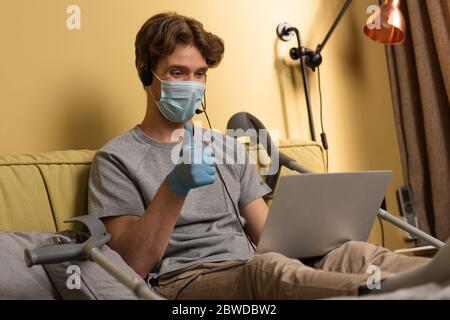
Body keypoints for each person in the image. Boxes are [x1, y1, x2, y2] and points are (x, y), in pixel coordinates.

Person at [88, 12, 450, 299]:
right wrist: (174, 187)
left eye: (200, 74)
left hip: (255, 263)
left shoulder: (228, 146)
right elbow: (131, 264)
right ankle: (389, 293)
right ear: (144, 73)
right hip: (185, 280)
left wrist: (321, 232)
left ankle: (435, 282)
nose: (192, 85)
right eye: (178, 73)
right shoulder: (115, 159)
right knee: (269, 271)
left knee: (352, 253)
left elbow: (269, 238)